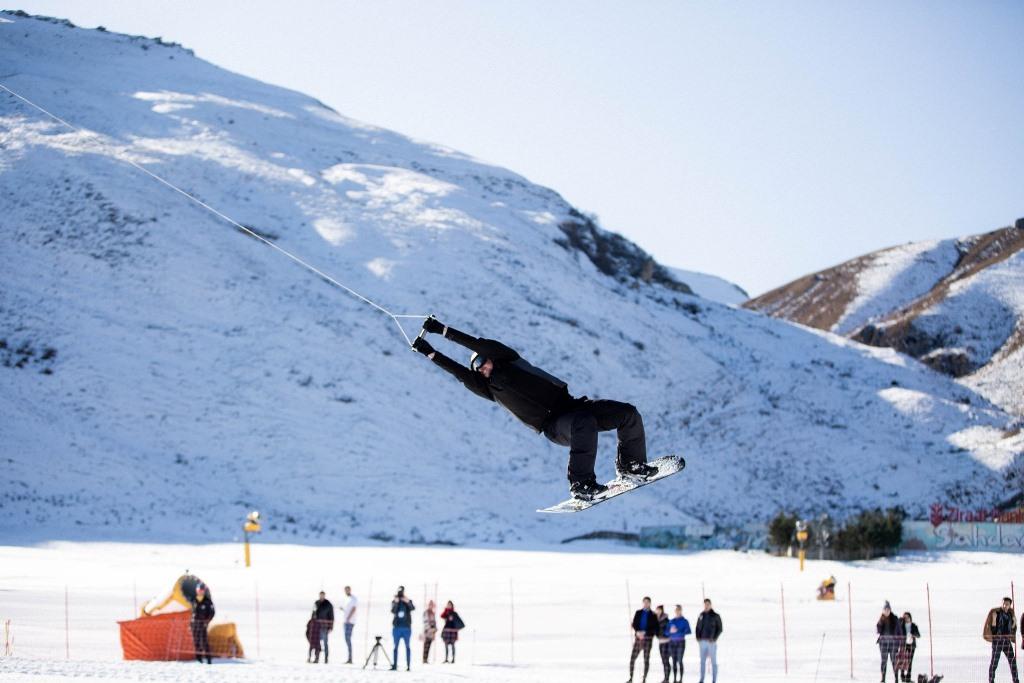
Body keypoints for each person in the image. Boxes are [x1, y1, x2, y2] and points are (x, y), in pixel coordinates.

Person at [412, 317, 658, 500]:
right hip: (554, 425)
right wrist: (431, 354)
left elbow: (481, 345)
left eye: (482, 362)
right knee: (583, 422)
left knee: (627, 413)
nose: (481, 368)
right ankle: (581, 484)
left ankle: (631, 466)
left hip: (572, 405)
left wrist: (443, 331)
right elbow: (460, 373)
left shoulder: (509, 359)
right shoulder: (490, 390)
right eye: (477, 369)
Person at [984, 597, 1019, 683]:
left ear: (1009, 605)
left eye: (1007, 604)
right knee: (994, 662)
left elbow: (1012, 630)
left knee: (1012, 662)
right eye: (1003, 603)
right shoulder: (997, 613)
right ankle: (991, 680)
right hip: (998, 641)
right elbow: (993, 630)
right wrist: (994, 621)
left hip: (1006, 641)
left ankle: (1016, 680)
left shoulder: (1011, 615)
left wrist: (1014, 622)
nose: (1005, 605)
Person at [629, 597, 660, 683]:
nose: (646, 604)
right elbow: (634, 624)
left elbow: (655, 628)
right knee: (633, 658)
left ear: (650, 603)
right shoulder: (638, 613)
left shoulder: (653, 615)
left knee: (646, 659)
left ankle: (644, 679)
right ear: (643, 603)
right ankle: (631, 677)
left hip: (648, 639)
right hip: (638, 638)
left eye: (648, 602)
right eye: (644, 602)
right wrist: (637, 632)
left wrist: (645, 633)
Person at [694, 598, 722, 683]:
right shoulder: (701, 615)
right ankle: (701, 679)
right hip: (702, 642)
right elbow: (697, 627)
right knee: (702, 662)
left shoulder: (715, 616)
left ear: (710, 605)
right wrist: (698, 637)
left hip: (711, 642)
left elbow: (720, 628)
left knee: (713, 662)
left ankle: (714, 680)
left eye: (708, 604)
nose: (706, 606)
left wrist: (714, 638)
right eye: (705, 604)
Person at [390, 586, 416, 671]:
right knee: (395, 647)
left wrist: (407, 601)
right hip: (397, 627)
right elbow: (393, 611)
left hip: (406, 628)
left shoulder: (407, 600)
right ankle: (395, 665)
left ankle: (408, 666)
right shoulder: (394, 601)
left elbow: (412, 608)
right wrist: (396, 603)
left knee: (407, 647)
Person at [190, 582, 215, 665]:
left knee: (204, 641)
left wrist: (207, 621)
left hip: (203, 624)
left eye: (202, 590)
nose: (200, 592)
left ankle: (208, 659)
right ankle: (199, 659)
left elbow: (212, 613)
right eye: (199, 590)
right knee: (196, 642)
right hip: (194, 624)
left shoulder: (207, 601)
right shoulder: (193, 600)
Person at [666, 605, 691, 683]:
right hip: (672, 642)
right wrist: (670, 631)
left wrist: (678, 631)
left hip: (680, 642)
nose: (677, 611)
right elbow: (666, 632)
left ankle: (680, 679)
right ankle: (674, 679)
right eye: (676, 610)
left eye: (679, 610)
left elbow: (688, 631)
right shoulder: (671, 621)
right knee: (673, 661)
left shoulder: (685, 621)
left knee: (680, 660)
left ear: (681, 611)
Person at [877, 601, 901, 683]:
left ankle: (896, 678)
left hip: (893, 643)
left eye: (888, 609)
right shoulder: (881, 618)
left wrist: (899, 642)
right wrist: (881, 622)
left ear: (890, 610)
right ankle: (883, 678)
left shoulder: (895, 618)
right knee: (884, 661)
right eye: (885, 609)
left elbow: (899, 631)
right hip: (883, 643)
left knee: (894, 661)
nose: (887, 611)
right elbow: (878, 630)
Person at [895, 612, 921, 683]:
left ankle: (908, 677)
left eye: (907, 617)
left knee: (910, 661)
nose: (906, 619)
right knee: (903, 660)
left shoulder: (914, 625)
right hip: (903, 645)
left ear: (910, 618)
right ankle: (902, 676)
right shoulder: (901, 625)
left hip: (911, 645)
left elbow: (918, 635)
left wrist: (913, 635)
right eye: (905, 617)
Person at [314, 591, 334, 664]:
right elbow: (313, 613)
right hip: (316, 626)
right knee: (316, 642)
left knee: (325, 643)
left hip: (325, 626)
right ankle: (316, 658)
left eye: (323, 595)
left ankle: (326, 658)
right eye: (320, 595)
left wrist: (331, 626)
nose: (321, 596)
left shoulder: (328, 604)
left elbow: (331, 616)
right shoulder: (316, 603)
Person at [341, 585, 358, 664]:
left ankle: (350, 658)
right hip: (345, 621)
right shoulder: (345, 599)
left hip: (350, 622)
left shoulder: (353, 598)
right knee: (346, 639)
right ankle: (349, 657)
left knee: (348, 639)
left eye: (347, 590)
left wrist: (348, 618)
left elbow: (354, 609)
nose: (346, 591)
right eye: (345, 590)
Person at [655, 605, 671, 683]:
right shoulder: (656, 620)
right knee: (663, 661)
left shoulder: (666, 620)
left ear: (662, 610)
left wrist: (665, 635)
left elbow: (668, 630)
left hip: (667, 642)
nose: (657, 611)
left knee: (666, 660)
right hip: (661, 642)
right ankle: (666, 677)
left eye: (659, 610)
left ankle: (667, 678)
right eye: (657, 610)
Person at [422, 600, 438, 664]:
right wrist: (429, 629)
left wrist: (434, 629)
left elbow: (434, 622)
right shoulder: (426, 612)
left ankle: (426, 659)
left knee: (429, 645)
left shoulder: (433, 613)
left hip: (432, 631)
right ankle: (424, 659)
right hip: (427, 631)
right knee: (426, 645)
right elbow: (425, 621)